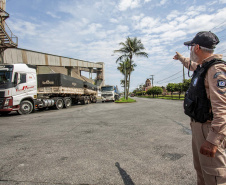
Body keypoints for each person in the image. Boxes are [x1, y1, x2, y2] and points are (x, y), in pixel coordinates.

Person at [173, 31, 226, 185]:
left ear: (196, 48)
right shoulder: (204, 67)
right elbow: (192, 65)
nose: (190, 52)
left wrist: (213, 140)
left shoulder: (216, 70)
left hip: (209, 128)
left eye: (190, 48)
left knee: (214, 175)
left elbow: (222, 108)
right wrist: (181, 59)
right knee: (202, 172)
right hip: (198, 127)